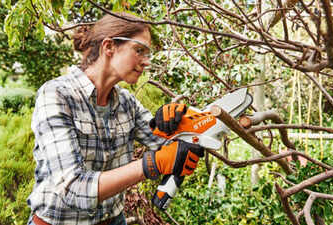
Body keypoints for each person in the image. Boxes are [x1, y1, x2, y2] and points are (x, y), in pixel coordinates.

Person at [27, 12, 204, 225]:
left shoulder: (126, 102)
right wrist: (151, 165)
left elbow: (170, 143)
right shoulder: (57, 94)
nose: (146, 62)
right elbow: (73, 188)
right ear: (109, 47)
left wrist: (180, 121)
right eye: (139, 51)